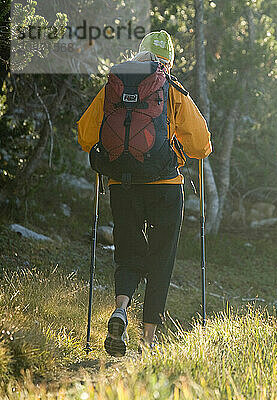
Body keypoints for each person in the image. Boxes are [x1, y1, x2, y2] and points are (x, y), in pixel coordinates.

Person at [77, 30, 211, 356]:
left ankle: (121, 308)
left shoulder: (114, 87)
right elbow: (201, 145)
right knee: (160, 261)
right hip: (165, 188)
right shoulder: (172, 90)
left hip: (122, 185)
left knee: (128, 253)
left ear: (138, 55)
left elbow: (84, 135)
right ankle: (147, 342)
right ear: (169, 62)